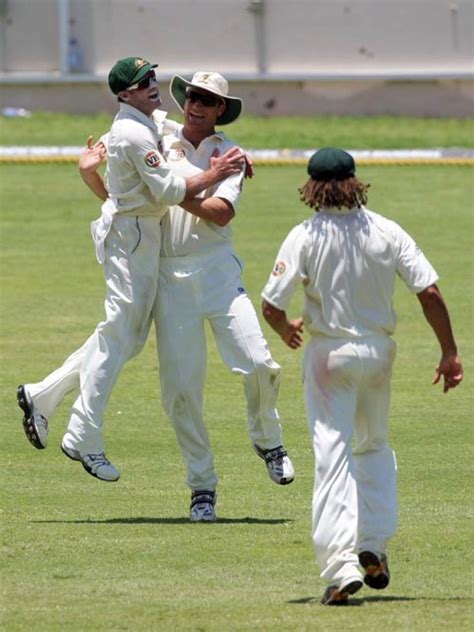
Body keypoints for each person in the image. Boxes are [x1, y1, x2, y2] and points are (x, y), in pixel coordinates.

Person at [18, 70, 294, 523]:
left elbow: (220, 214)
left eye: (208, 99)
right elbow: (132, 185)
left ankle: (269, 441)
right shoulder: (156, 131)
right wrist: (97, 176)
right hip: (167, 275)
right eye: (190, 95)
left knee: (260, 362)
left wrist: (193, 180)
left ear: (222, 109)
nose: (196, 104)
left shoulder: (230, 155)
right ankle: (202, 487)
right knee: (179, 392)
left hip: (218, 272)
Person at [260, 147, 463, 605]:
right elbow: (428, 292)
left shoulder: (304, 235)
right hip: (379, 352)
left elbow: (272, 304)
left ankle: (340, 566)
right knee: (373, 444)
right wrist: (449, 352)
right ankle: (373, 543)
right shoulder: (386, 230)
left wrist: (285, 328)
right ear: (355, 181)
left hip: (329, 354)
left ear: (311, 187)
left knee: (332, 453)